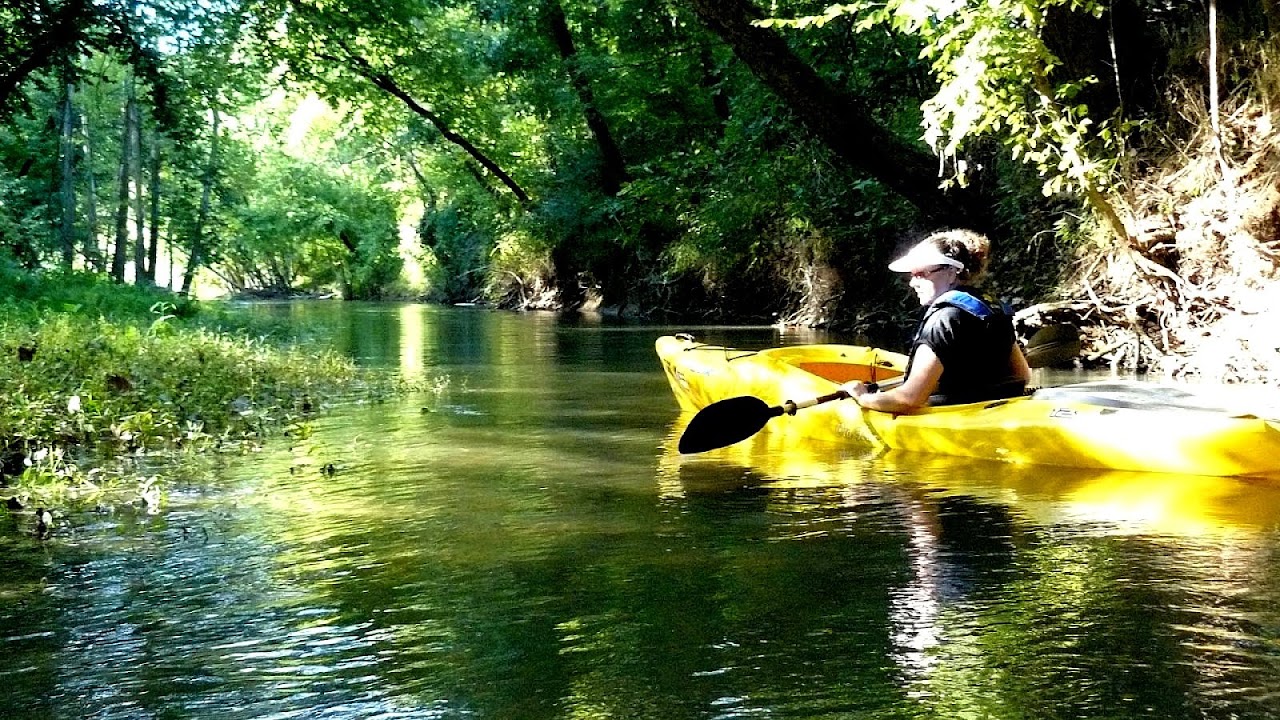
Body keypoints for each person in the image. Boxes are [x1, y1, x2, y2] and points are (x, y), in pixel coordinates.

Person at [847, 229, 1030, 413]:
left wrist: (863, 397)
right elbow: (1022, 376)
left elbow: (909, 398)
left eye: (921, 273)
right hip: (993, 414)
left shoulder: (943, 320)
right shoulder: (992, 309)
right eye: (912, 275)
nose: (912, 283)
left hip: (955, 422)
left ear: (951, 272)